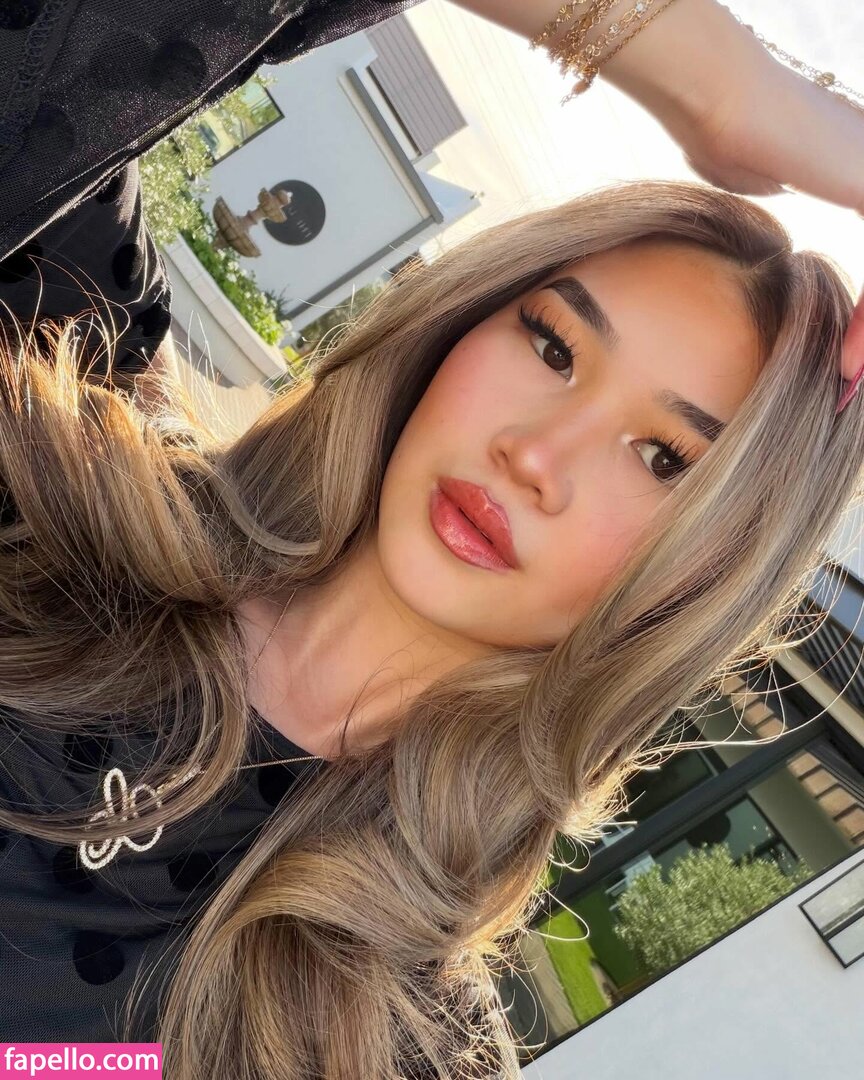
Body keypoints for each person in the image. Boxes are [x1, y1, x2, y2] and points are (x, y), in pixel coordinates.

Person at [0, 2, 863, 1079]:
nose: (534, 454)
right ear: (463, 319)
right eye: (553, 346)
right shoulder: (62, 429)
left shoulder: (386, 1041)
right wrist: (728, 88)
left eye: (662, 458)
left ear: (706, 576)